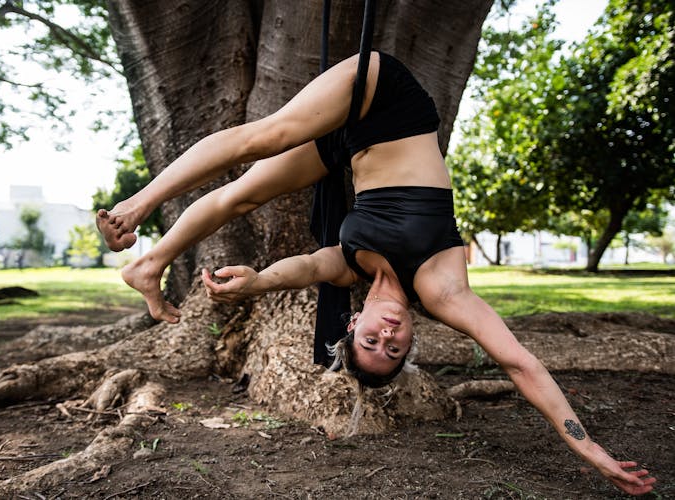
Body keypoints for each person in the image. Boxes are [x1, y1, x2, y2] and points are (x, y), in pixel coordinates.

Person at [97, 51, 656, 495]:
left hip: (355, 135)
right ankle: (141, 234)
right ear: (411, 339)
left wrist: (258, 281)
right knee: (263, 142)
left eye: (371, 342)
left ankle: (147, 247)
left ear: (356, 322)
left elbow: (306, 267)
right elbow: (519, 362)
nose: (387, 337)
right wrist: (592, 451)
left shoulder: (350, 269)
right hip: (391, 107)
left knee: (245, 186)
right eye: (394, 348)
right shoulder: (441, 288)